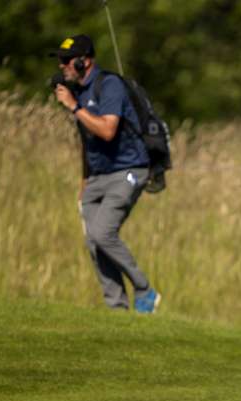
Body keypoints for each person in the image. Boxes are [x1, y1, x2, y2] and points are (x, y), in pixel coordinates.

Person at [51, 34, 161, 313]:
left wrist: (73, 106)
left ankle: (144, 289)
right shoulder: (79, 93)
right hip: (97, 176)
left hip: (128, 170)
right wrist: (84, 179)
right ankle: (117, 310)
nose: (62, 67)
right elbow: (87, 141)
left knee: (103, 233)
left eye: (66, 61)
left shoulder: (109, 86)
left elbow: (107, 130)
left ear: (83, 61)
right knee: (93, 243)